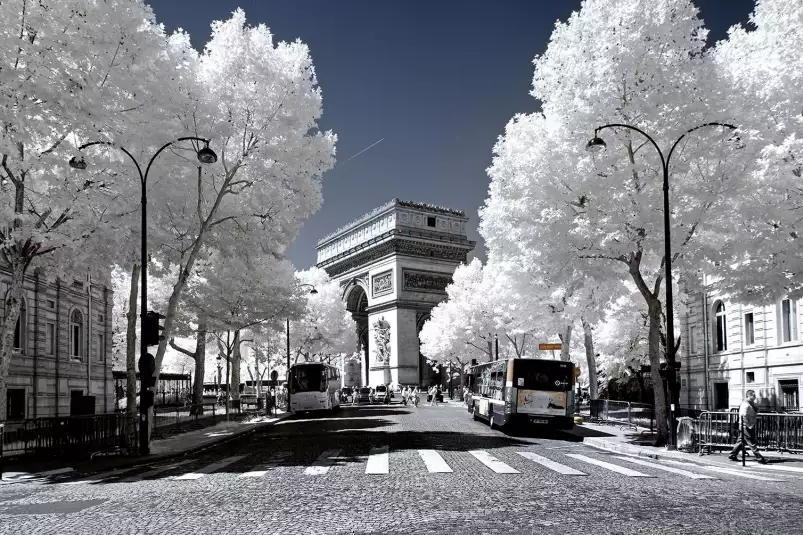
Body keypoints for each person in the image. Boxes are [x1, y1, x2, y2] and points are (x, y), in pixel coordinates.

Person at [728, 390, 768, 464]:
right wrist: (748, 425)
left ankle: (733, 454)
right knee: (751, 442)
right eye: (753, 395)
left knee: (741, 441)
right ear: (748, 396)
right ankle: (759, 458)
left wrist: (755, 407)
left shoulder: (751, 404)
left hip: (746, 425)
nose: (755, 397)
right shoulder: (745, 405)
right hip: (745, 426)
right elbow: (743, 416)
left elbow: (756, 411)